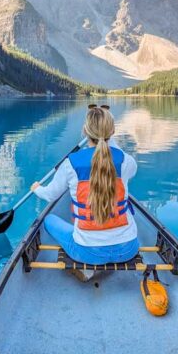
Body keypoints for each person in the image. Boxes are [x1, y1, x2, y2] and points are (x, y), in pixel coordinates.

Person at [31, 105, 139, 268]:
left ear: (85, 131)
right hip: (128, 249)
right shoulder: (126, 161)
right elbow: (116, 154)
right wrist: (107, 135)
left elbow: (50, 196)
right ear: (112, 131)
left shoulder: (70, 164)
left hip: (88, 252)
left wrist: (36, 188)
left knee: (49, 220)